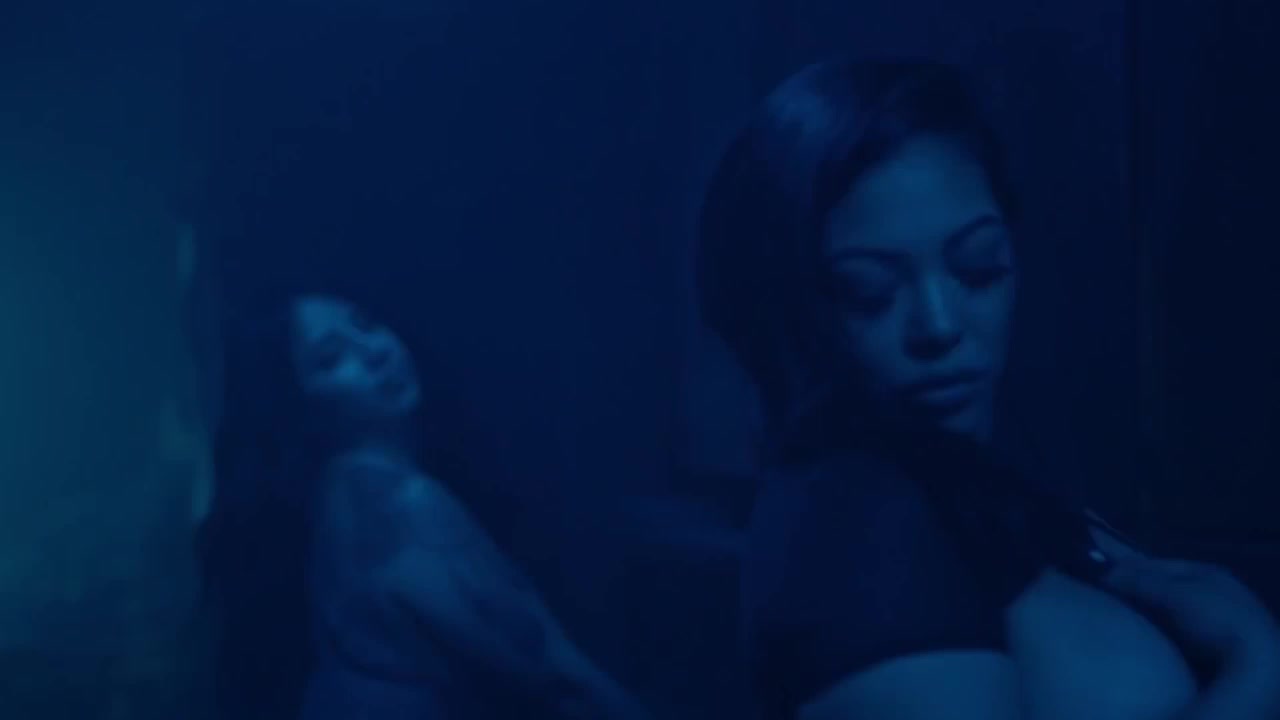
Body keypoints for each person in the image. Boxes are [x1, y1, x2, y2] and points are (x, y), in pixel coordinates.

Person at [695, 58, 1280, 720]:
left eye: (979, 268)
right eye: (870, 293)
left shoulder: (971, 487)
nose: (940, 325)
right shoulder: (856, 527)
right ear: (783, 308)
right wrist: (1257, 668)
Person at [202, 290, 651, 719]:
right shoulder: (399, 503)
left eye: (366, 323)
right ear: (299, 407)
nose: (375, 352)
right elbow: (556, 676)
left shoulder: (336, 491)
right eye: (331, 358)